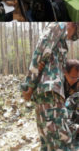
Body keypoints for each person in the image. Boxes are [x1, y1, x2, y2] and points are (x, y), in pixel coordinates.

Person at [22, 22, 78, 150]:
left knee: (48, 142)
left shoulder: (60, 40)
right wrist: (29, 85)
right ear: (73, 25)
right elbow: (39, 54)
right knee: (60, 142)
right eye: (74, 35)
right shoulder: (57, 27)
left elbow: (44, 61)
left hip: (50, 93)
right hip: (50, 93)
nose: (71, 39)